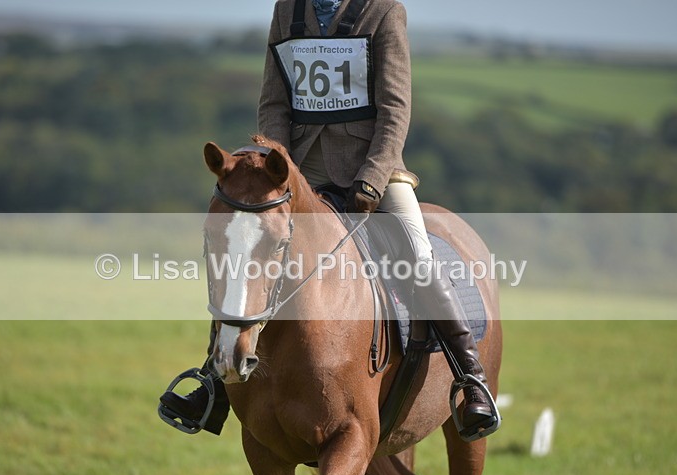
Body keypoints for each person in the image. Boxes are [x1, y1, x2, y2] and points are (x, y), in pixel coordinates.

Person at [159, 0, 497, 440]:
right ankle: (214, 382)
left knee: (418, 252)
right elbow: (275, 101)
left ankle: (470, 379)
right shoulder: (288, 9)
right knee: (246, 251)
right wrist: (275, 169)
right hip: (294, 172)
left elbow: (395, 110)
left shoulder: (384, 11)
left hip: (373, 168)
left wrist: (373, 178)